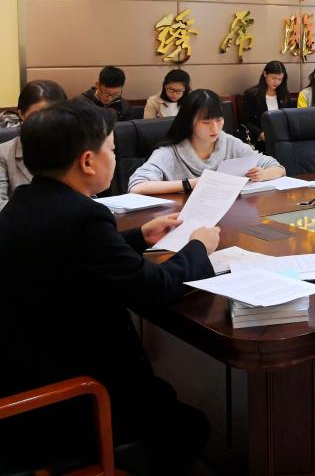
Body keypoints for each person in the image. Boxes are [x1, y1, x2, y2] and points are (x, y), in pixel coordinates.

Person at [0, 100, 219, 474]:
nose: (115, 159)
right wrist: (199, 247)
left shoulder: (26, 203)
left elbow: (74, 254)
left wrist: (139, 237)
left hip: (23, 373)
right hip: (68, 402)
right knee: (189, 428)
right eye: (112, 150)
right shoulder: (82, 218)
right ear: (88, 162)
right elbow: (154, 289)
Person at [128, 89, 285, 194]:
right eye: (206, 122)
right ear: (189, 122)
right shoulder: (171, 152)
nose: (215, 128)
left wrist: (263, 174)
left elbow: (278, 168)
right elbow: (137, 186)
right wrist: (192, 184)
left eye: (219, 120)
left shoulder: (228, 143)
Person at [0, 79, 66, 209]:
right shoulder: (3, 154)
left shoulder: (73, 149)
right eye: (37, 115)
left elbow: (87, 195)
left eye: (54, 115)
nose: (47, 122)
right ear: (21, 114)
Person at [239, 61, 292, 146]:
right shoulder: (252, 95)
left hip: (282, 140)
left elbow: (290, 118)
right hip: (259, 141)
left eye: (280, 79)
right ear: (265, 74)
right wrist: (260, 133)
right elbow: (245, 121)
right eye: (273, 78)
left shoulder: (285, 95)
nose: (276, 82)